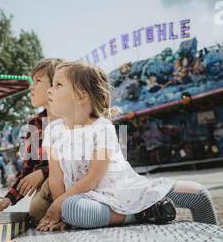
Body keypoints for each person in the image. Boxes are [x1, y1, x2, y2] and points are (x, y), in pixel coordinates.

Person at [36, 62, 218, 232]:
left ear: (81, 96)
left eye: (58, 85)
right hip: (89, 200)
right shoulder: (53, 131)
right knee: (73, 210)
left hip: (125, 190)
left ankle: (142, 211)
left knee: (199, 194)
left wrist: (57, 205)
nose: (50, 91)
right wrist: (60, 209)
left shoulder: (102, 127)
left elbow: (93, 180)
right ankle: (144, 213)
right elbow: (56, 177)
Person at [0, 59, 66, 224]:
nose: (31, 87)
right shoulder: (34, 124)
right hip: (46, 192)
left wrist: (43, 173)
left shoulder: (72, 119)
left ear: (56, 85)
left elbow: (77, 163)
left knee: (45, 194)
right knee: (36, 209)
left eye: (38, 81)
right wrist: (9, 199)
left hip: (70, 183)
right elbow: (28, 167)